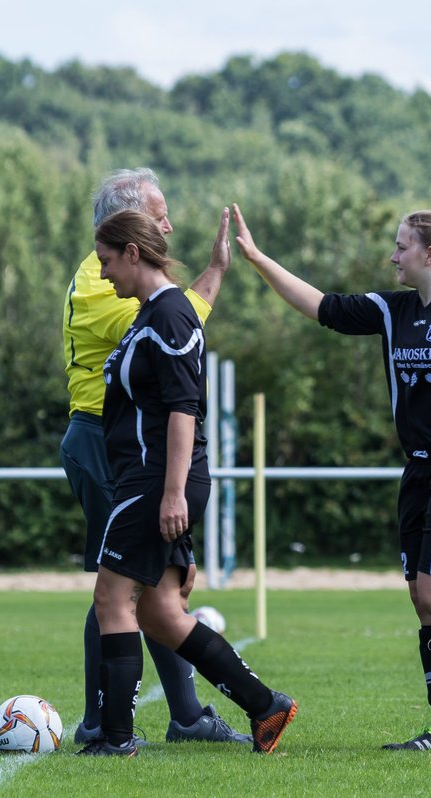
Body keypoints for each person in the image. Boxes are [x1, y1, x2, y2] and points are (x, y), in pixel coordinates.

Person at [232, 204, 431, 751]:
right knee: (425, 600)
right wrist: (258, 259)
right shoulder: (393, 310)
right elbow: (323, 307)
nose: (392, 256)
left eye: (401, 245)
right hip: (423, 470)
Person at [78, 210, 298, 756]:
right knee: (158, 612)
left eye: (106, 261)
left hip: (154, 480)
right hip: (152, 480)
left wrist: (174, 495)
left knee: (111, 596)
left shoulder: (169, 316)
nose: (103, 274)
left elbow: (183, 410)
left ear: (133, 252)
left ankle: (116, 739)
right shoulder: (155, 313)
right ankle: (265, 706)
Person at [59, 168, 250, 745]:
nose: (170, 223)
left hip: (140, 447)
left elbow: (176, 323)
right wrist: (215, 272)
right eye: (158, 213)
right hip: (105, 441)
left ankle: (185, 714)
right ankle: (104, 719)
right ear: (128, 230)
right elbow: (178, 321)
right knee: (119, 585)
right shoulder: (102, 279)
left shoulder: (128, 278)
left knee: (146, 588)